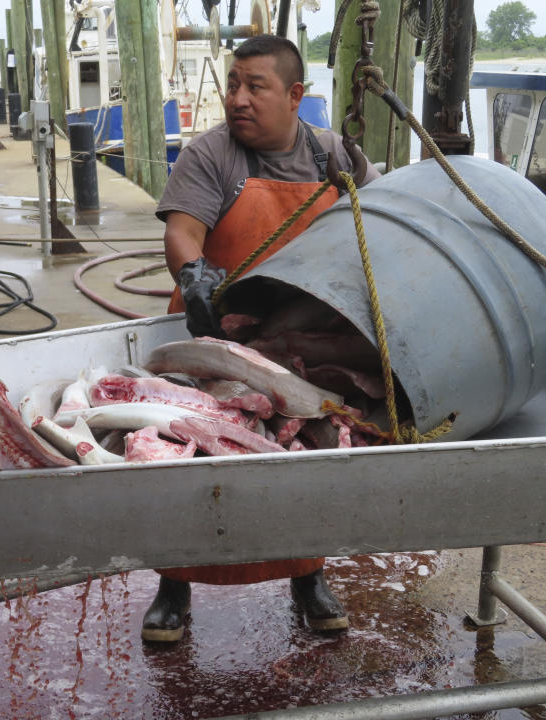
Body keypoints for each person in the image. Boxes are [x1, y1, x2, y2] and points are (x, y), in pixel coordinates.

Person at [143, 34, 381, 643]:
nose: (237, 99)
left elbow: (381, 224)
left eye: (256, 87)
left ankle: (308, 573)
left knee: (305, 462)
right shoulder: (210, 155)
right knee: (189, 466)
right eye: (232, 85)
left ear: (296, 95)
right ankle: (174, 582)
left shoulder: (336, 155)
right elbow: (182, 232)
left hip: (301, 342)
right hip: (212, 334)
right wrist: (194, 275)